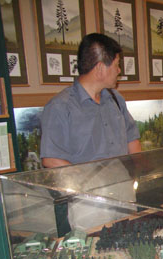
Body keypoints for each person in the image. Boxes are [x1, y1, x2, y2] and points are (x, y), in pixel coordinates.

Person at [40, 33, 141, 167]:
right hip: (84, 181)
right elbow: (51, 159)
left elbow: (132, 140)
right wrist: (85, 179)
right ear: (100, 68)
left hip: (122, 179)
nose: (119, 70)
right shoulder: (60, 107)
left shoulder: (116, 99)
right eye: (116, 65)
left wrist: (139, 172)